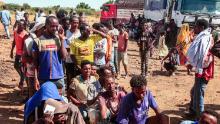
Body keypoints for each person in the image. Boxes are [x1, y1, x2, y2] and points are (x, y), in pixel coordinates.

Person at [186, 19, 214, 118]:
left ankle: (199, 117)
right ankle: (193, 111)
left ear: (202, 28)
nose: (194, 28)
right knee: (194, 92)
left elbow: (202, 54)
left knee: (199, 94)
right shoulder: (202, 36)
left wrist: (197, 67)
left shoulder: (205, 38)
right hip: (201, 67)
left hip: (203, 70)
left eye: (196, 26)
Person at [32, 16, 67, 92]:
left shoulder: (59, 39)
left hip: (58, 77)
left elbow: (64, 57)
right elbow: (35, 62)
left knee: (59, 102)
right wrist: (35, 78)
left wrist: (62, 40)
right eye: (52, 26)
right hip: (44, 77)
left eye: (56, 26)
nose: (55, 28)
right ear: (46, 25)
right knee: (45, 101)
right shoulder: (38, 41)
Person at [22, 17, 46, 98]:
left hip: (45, 74)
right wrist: (37, 59)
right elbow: (24, 58)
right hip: (32, 74)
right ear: (37, 29)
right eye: (44, 28)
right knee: (33, 95)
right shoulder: (29, 41)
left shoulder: (48, 40)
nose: (45, 30)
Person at [10, 19, 28, 91]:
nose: (20, 26)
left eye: (22, 25)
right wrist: (11, 51)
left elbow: (25, 46)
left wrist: (22, 56)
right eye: (19, 25)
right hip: (17, 53)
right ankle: (23, 77)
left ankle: (21, 83)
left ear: (24, 26)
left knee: (21, 68)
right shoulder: (15, 32)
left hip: (22, 54)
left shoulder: (25, 34)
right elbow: (14, 41)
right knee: (16, 66)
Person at [64, 16, 81, 87]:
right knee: (70, 78)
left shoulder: (80, 33)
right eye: (74, 22)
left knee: (78, 79)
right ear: (70, 23)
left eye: (77, 23)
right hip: (69, 60)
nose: (76, 24)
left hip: (79, 60)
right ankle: (69, 94)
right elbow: (65, 47)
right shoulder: (66, 32)